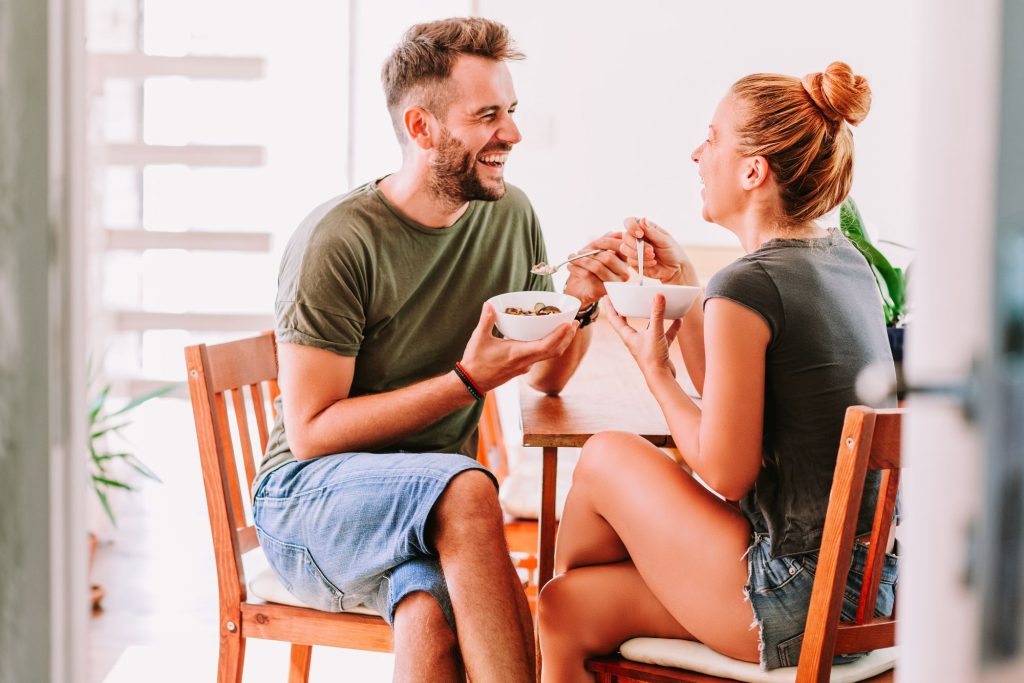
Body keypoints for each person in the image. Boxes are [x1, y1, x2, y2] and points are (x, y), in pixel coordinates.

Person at [249, 17, 629, 683]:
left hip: (427, 507)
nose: (512, 134)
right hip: (307, 505)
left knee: (428, 615)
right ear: (421, 128)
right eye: (488, 116)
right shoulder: (338, 242)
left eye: (510, 112)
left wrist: (580, 299)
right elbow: (310, 435)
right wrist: (465, 381)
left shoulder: (509, 215)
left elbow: (549, 380)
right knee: (468, 485)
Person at [537, 62, 899, 681]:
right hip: (870, 590)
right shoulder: (844, 262)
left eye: (711, 139)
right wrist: (687, 285)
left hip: (794, 594)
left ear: (752, 170)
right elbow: (737, 406)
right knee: (565, 605)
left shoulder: (748, 285)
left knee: (603, 456)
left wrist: (656, 371)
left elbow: (729, 472)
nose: (697, 154)